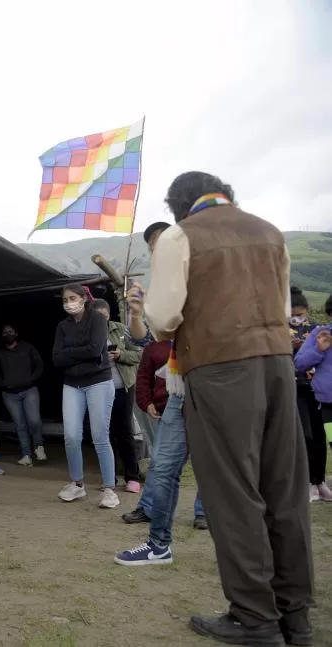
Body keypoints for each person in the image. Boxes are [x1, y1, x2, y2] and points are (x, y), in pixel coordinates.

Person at [145, 172, 312, 645]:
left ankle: (254, 618)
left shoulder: (180, 236)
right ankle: (295, 615)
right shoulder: (269, 231)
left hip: (220, 368)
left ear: (177, 205)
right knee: (284, 488)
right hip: (277, 364)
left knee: (233, 493)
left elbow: (163, 317)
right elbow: (281, 309)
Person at [120, 337, 206, 532]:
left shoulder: (206, 336)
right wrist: (146, 402)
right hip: (170, 406)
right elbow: (143, 376)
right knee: (160, 461)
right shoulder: (156, 344)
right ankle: (148, 508)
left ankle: (204, 512)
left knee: (206, 462)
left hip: (204, 402)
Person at [52, 284, 118, 509]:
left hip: (98, 382)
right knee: (71, 436)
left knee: (100, 436)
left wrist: (70, 353)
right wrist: (81, 352)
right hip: (72, 384)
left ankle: (109, 489)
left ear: (83, 298)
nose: (68, 303)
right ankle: (77, 484)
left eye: (72, 298)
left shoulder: (97, 320)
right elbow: (56, 358)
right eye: (65, 300)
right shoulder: (62, 326)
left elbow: (95, 349)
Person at [90, 300, 142, 492]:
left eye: (105, 316)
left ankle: (132, 477)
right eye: (98, 317)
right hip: (99, 389)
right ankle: (109, 478)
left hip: (122, 388)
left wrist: (121, 355)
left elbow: (139, 353)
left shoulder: (120, 329)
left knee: (125, 432)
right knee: (105, 433)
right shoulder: (86, 332)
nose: (102, 320)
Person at [289, 288, 330, 502]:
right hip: (294, 388)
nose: (297, 318)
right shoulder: (280, 330)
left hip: (316, 390)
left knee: (320, 436)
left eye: (300, 314)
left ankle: (319, 481)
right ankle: (306, 482)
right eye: (293, 314)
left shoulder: (314, 328)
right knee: (305, 435)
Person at [0, 325, 46, 466]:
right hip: (10, 395)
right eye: (5, 333)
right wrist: (2, 383)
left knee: (34, 420)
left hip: (29, 390)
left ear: (16, 333)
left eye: (10, 331)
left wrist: (32, 378)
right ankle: (26, 455)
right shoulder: (0, 353)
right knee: (20, 425)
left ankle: (39, 446)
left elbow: (39, 363)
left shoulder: (27, 347)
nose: (8, 334)